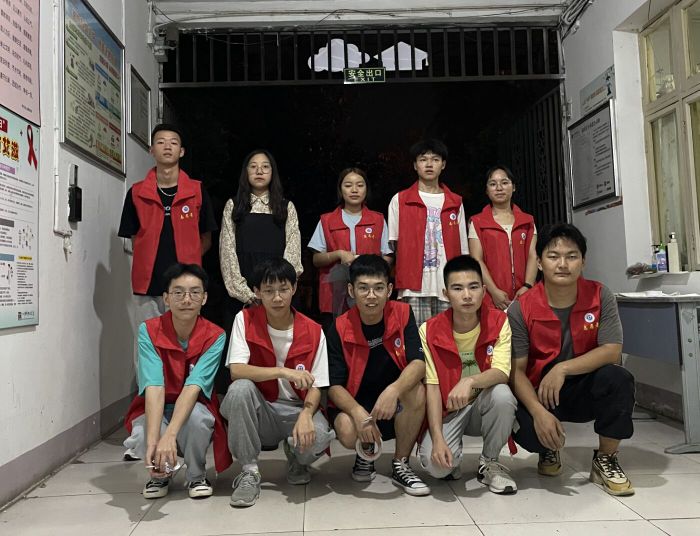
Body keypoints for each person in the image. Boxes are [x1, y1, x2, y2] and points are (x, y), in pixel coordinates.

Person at [508, 223, 635, 496]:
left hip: (584, 387)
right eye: (553, 256)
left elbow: (612, 350)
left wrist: (563, 368)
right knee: (529, 432)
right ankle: (547, 448)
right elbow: (516, 372)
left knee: (619, 378)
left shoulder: (600, 295)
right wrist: (538, 412)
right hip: (541, 392)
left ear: (583, 261)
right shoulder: (521, 307)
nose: (563, 264)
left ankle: (605, 458)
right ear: (539, 263)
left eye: (572, 256)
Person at [220, 258, 334, 508]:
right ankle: (249, 472)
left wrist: (307, 414)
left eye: (283, 289)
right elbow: (237, 371)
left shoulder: (314, 330)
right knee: (239, 390)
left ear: (294, 288)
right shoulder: (244, 319)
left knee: (318, 437)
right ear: (257, 292)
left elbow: (318, 384)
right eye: (269, 291)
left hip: (297, 408)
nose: (277, 298)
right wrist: (283, 372)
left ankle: (297, 457)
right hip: (263, 409)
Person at [122, 263, 231, 499]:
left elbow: (194, 386)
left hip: (194, 403)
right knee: (144, 430)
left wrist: (170, 435)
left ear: (204, 298)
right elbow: (154, 385)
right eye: (178, 293)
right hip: (158, 403)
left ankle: (196, 475)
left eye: (194, 292)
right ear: (166, 298)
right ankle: (160, 474)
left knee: (198, 419)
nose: (186, 299)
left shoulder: (215, 335)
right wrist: (154, 441)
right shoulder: (149, 331)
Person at [327, 255, 430, 496]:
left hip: (394, 405)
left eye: (378, 288)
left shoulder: (403, 313)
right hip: (358, 403)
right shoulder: (339, 327)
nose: (371, 296)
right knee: (345, 428)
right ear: (351, 290)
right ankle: (365, 453)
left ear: (389, 290)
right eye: (363, 288)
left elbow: (418, 363)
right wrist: (356, 412)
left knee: (417, 391)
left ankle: (401, 463)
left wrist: (394, 390)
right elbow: (333, 385)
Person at [418, 255, 517, 494]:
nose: (467, 295)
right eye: (457, 288)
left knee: (503, 395)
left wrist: (470, 381)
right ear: (445, 293)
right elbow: (432, 387)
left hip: (484, 405)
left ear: (483, 290)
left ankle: (489, 463)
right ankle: (454, 455)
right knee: (437, 468)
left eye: (473, 287)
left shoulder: (499, 321)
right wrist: (438, 438)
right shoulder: (429, 330)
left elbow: (502, 372)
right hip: (449, 410)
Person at [118, 124, 217, 360]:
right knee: (147, 347)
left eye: (173, 142)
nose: (167, 147)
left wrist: (190, 258)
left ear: (182, 151)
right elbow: (134, 238)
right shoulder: (136, 193)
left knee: (187, 345)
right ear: (151, 150)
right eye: (161, 142)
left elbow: (206, 238)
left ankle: (185, 385)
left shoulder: (196, 191)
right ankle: (149, 386)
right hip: (148, 286)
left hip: (186, 285)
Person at [219, 149, 303, 389]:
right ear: (245, 172)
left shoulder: (285, 207)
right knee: (242, 355)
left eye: (265, 166)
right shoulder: (233, 206)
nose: (259, 171)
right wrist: (248, 294)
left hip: (278, 293)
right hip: (243, 294)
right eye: (253, 166)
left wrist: (276, 290)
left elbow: (293, 251)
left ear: (272, 173)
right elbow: (227, 252)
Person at [388, 139, 469, 327]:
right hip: (413, 289)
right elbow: (394, 246)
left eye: (435, 159)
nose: (429, 164)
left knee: (447, 339)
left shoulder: (455, 202)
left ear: (443, 165)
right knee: (416, 340)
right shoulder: (400, 200)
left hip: (448, 287)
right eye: (423, 159)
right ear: (415, 165)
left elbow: (462, 250)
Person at [308, 167, 392, 328]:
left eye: (360, 185)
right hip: (334, 295)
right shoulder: (327, 220)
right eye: (348, 185)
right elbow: (316, 259)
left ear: (366, 189)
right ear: (340, 189)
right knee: (336, 337)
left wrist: (371, 266)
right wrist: (338, 254)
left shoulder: (378, 220)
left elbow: (388, 256)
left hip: (370, 293)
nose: (354, 190)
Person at [469, 165, 537, 310]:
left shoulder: (527, 221)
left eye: (504, 183)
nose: (499, 188)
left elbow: (533, 255)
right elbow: (476, 259)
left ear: (514, 187)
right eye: (493, 184)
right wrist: (494, 292)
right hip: (490, 297)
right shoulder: (477, 222)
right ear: (487, 190)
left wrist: (528, 286)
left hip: (524, 294)